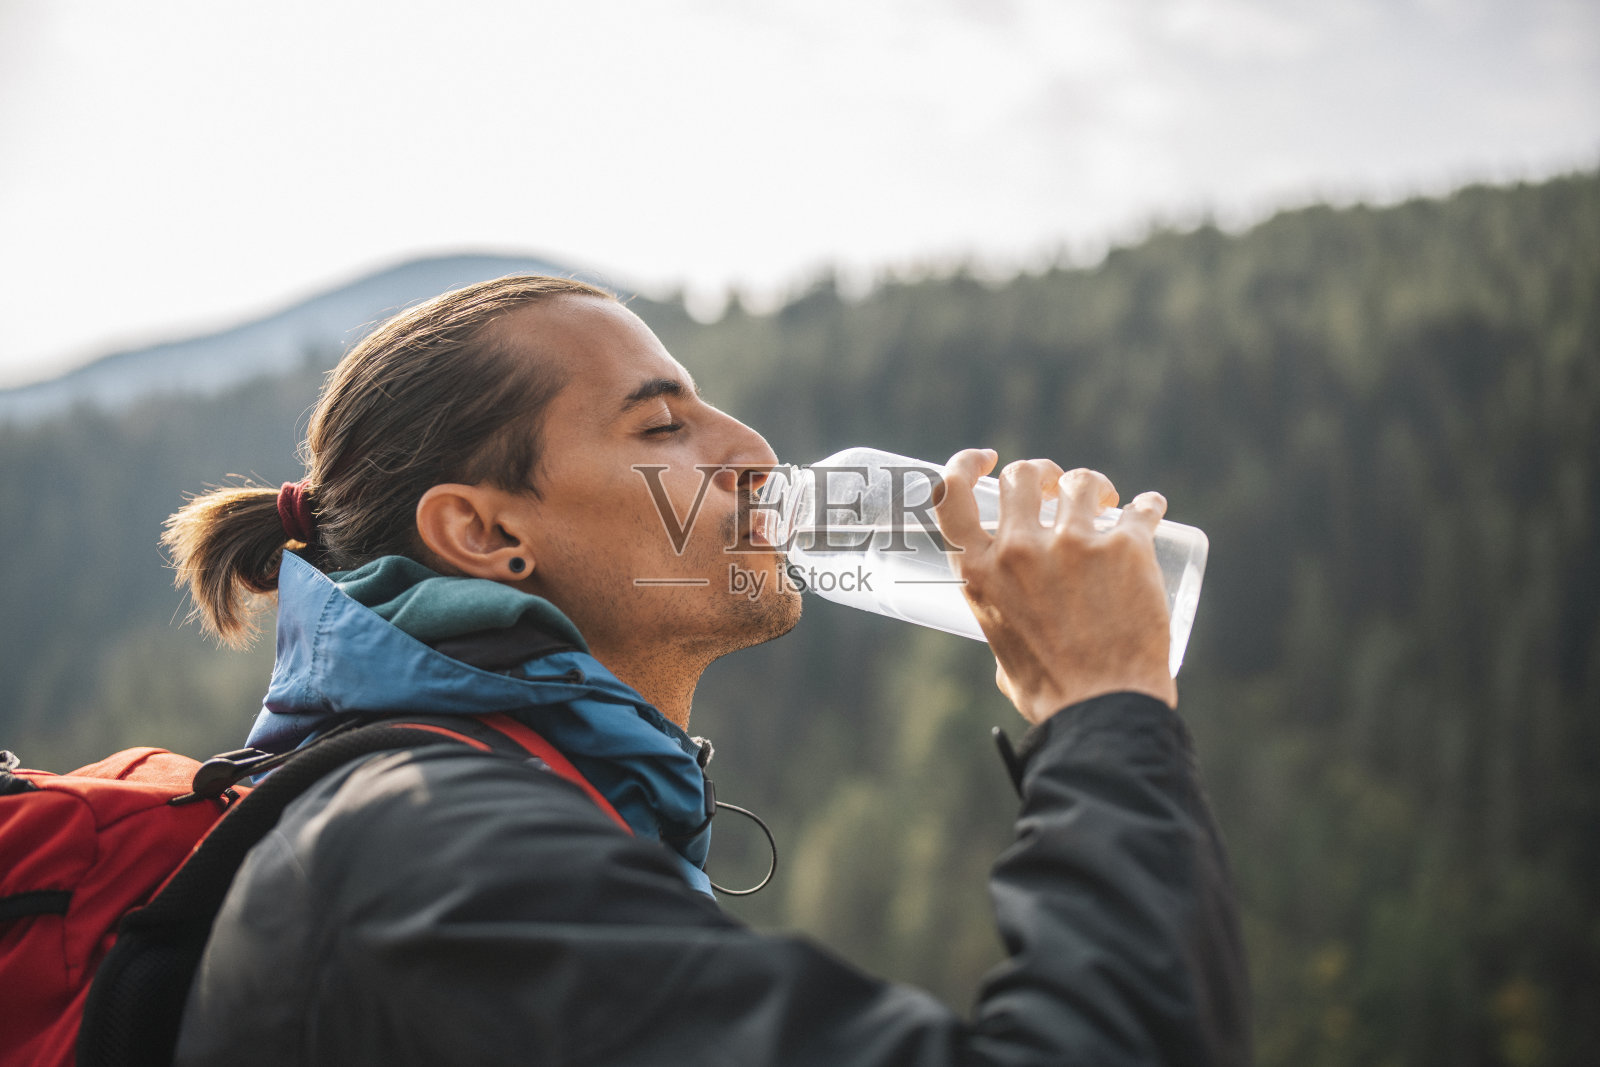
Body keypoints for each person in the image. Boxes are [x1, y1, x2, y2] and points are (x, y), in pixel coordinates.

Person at [161, 275, 1251, 1065]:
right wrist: (1099, 704)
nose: (752, 451)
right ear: (486, 533)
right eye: (662, 424)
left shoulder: (487, 817)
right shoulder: (434, 853)